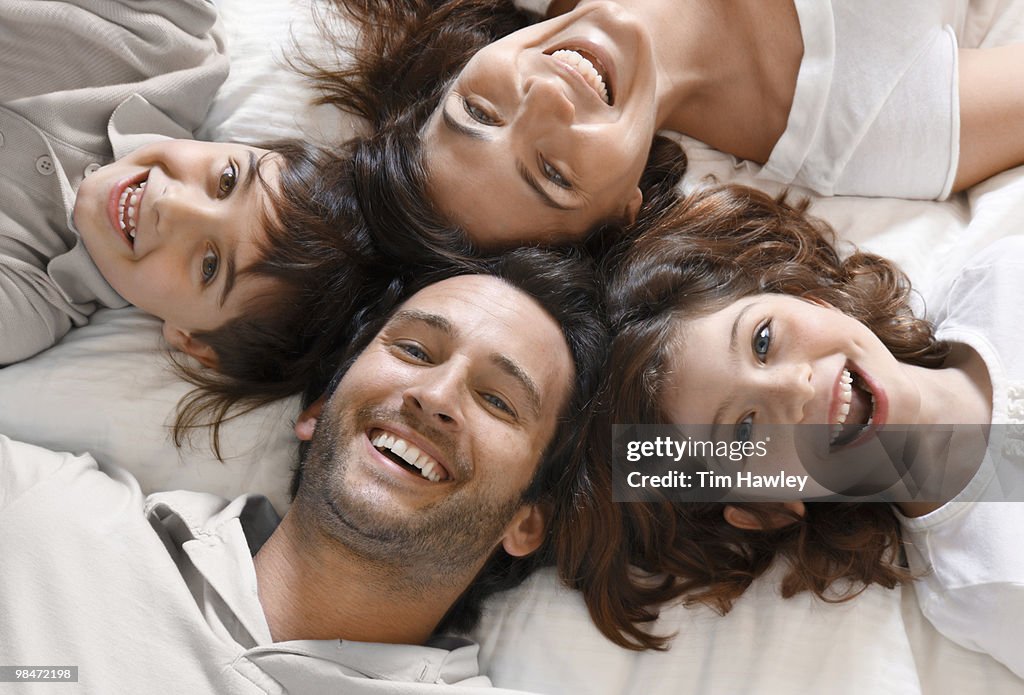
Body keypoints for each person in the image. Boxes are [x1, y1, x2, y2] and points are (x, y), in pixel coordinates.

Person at [0, 248, 609, 693]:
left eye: (498, 400)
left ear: (528, 520)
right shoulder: (44, 513)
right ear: (319, 409)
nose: (437, 396)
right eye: (415, 351)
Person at [599, 184, 1024, 677]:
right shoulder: (986, 583)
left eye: (763, 340)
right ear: (766, 508)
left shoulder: (1002, 277)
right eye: (743, 433)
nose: (793, 390)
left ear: (811, 299)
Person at [301, 0, 1024, 249]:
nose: (547, 102)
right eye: (553, 172)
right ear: (622, 207)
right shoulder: (866, 130)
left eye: (479, 112)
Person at [1, 1, 396, 444]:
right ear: (249, 147)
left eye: (209, 266)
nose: (172, 206)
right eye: (227, 179)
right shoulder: (171, 40)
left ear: (193, 342)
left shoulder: (21, 309)